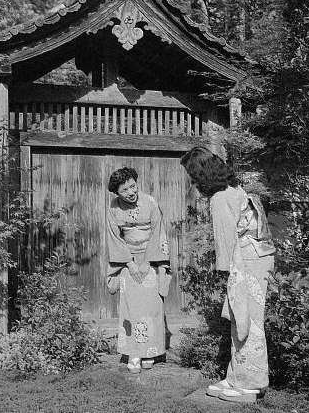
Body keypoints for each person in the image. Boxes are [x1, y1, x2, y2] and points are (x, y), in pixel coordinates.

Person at [180, 147, 275, 403]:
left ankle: (251, 385)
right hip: (256, 257)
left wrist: (227, 275)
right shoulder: (234, 190)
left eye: (192, 175)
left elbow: (225, 241)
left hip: (246, 260)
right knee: (240, 319)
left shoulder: (220, 198)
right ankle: (236, 376)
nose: (192, 181)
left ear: (201, 175)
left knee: (248, 322)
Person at [106, 167, 172, 374]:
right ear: (117, 193)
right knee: (131, 306)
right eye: (125, 190)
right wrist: (131, 264)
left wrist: (146, 263)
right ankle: (134, 353)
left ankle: (150, 352)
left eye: (133, 186)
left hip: (151, 259)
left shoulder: (150, 202)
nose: (131, 192)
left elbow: (158, 232)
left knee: (152, 305)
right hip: (127, 260)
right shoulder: (113, 207)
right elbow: (115, 238)